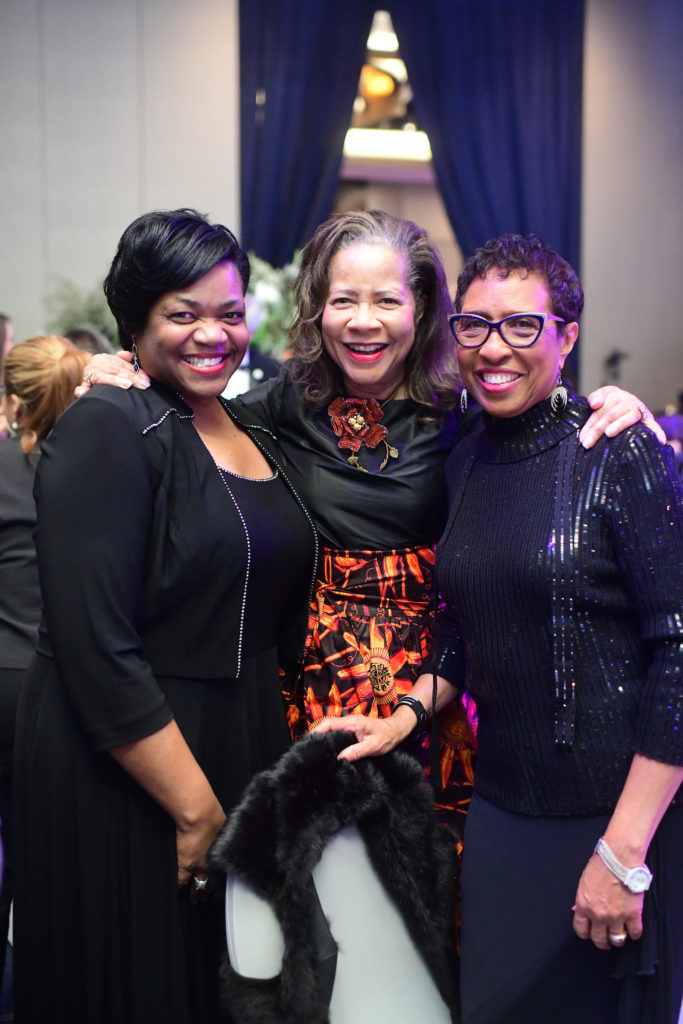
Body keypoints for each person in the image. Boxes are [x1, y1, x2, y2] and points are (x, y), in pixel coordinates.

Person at [78, 210, 660, 841]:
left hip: (436, 687)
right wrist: (118, 372)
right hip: (315, 684)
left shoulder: (464, 411)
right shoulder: (283, 407)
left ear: (423, 310)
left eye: (386, 300)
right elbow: (191, 406)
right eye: (343, 300)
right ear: (317, 310)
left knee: (436, 886)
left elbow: (538, 429)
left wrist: (611, 405)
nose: (363, 321)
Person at [317, 233, 683, 1024]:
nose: (493, 349)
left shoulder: (619, 452)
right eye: (474, 325)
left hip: (611, 822)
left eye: (521, 326)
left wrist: (622, 855)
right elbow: (464, 623)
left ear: (566, 336)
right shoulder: (466, 458)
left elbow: (677, 654)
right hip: (499, 816)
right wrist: (404, 717)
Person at [12, 209, 317, 1024]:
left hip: (235, 735)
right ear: (136, 323)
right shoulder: (108, 426)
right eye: (182, 314)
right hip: (129, 762)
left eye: (227, 311)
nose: (211, 335)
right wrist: (195, 807)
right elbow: (96, 645)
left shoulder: (251, 421)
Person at [0, 335, 89, 994]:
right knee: (54, 860)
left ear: (13, 401)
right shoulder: (98, 461)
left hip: (4, 682)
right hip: (70, 687)